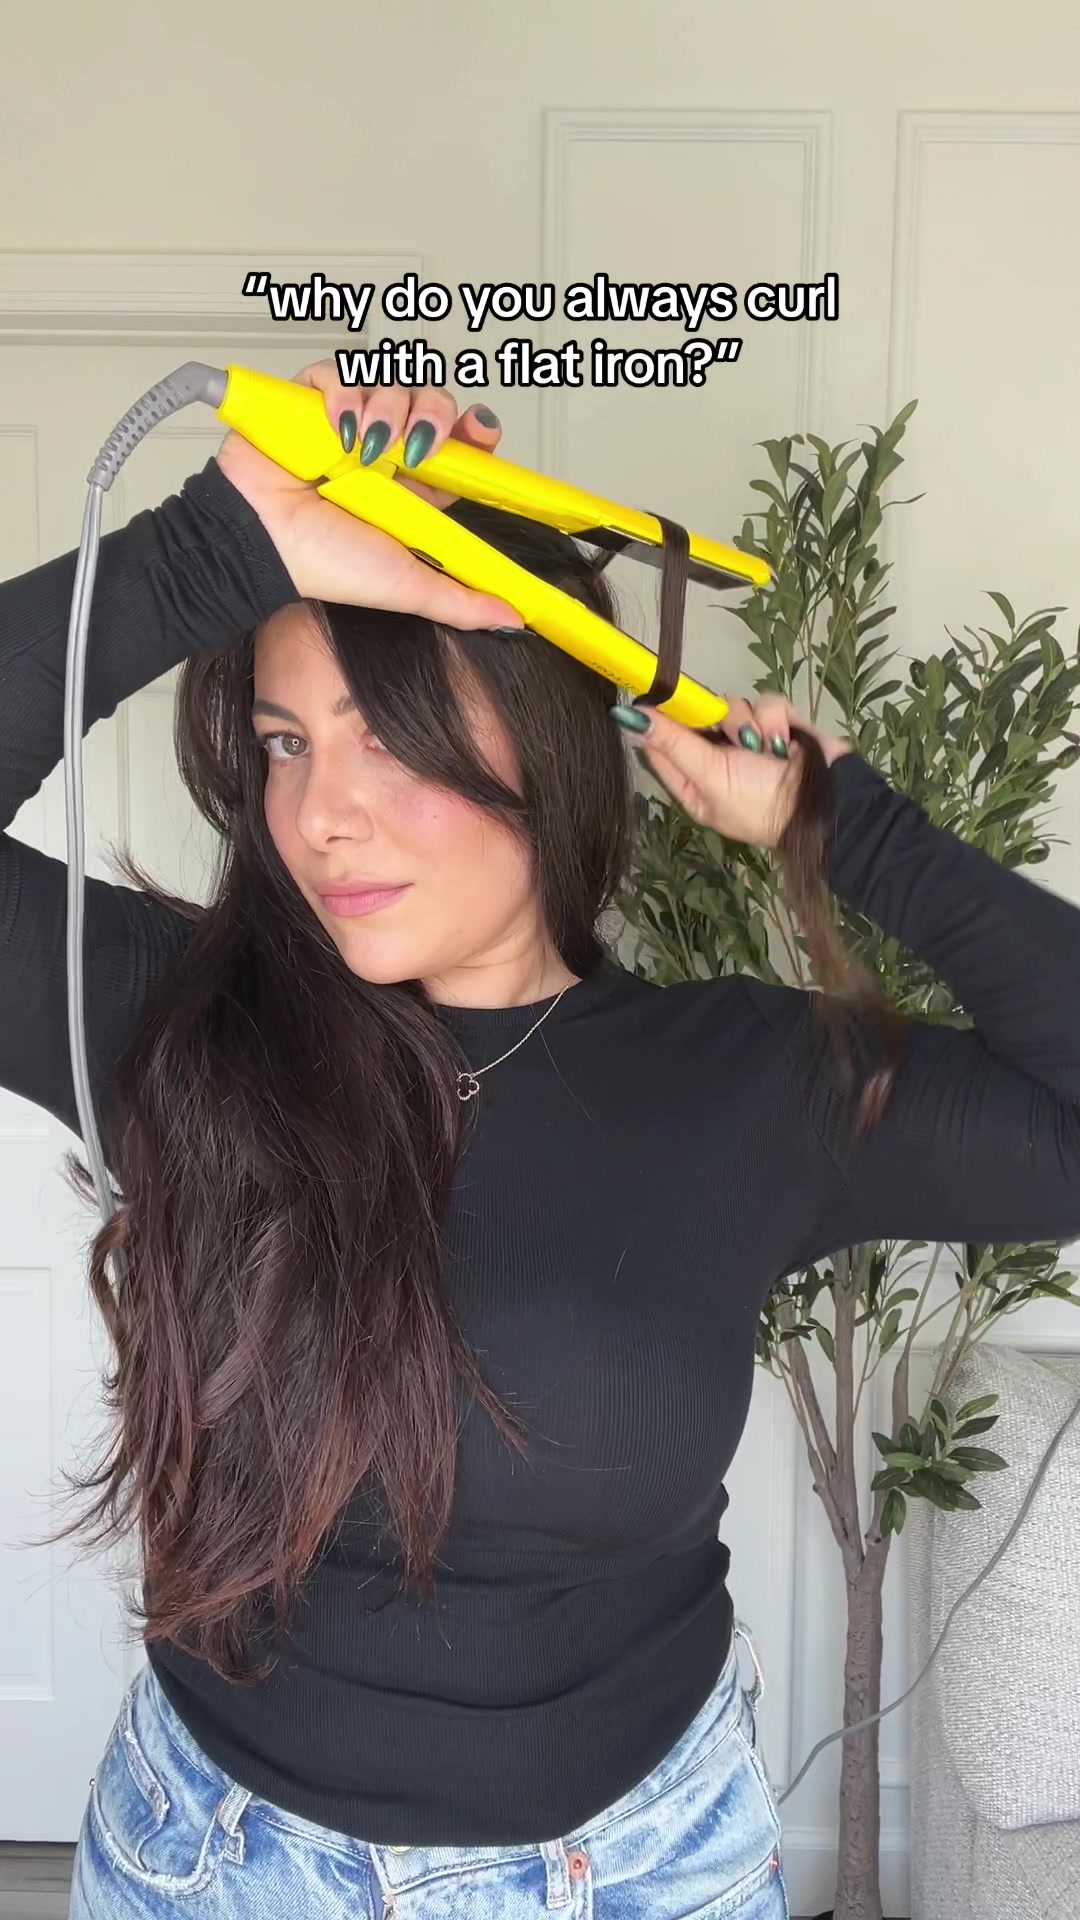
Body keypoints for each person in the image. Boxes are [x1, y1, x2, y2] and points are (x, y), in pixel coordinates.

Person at [1, 363, 1078, 1920]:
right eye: (287, 744)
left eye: (391, 738)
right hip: (214, 1871)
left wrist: (852, 834)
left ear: (548, 749)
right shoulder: (172, 1021)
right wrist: (213, 547)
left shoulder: (749, 1087)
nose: (321, 816)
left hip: (639, 1875)